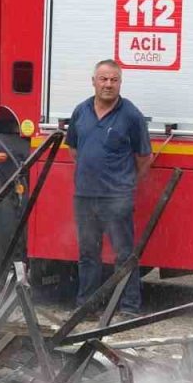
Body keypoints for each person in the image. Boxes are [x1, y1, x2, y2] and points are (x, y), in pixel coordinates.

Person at [66, 60, 153, 317]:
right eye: (103, 79)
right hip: (84, 196)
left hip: (117, 198)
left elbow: (143, 157)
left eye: (113, 80)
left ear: (120, 83)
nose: (108, 85)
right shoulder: (80, 112)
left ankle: (129, 308)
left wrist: (124, 184)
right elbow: (74, 150)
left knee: (124, 255)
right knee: (88, 254)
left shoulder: (131, 115)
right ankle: (87, 306)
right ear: (93, 81)